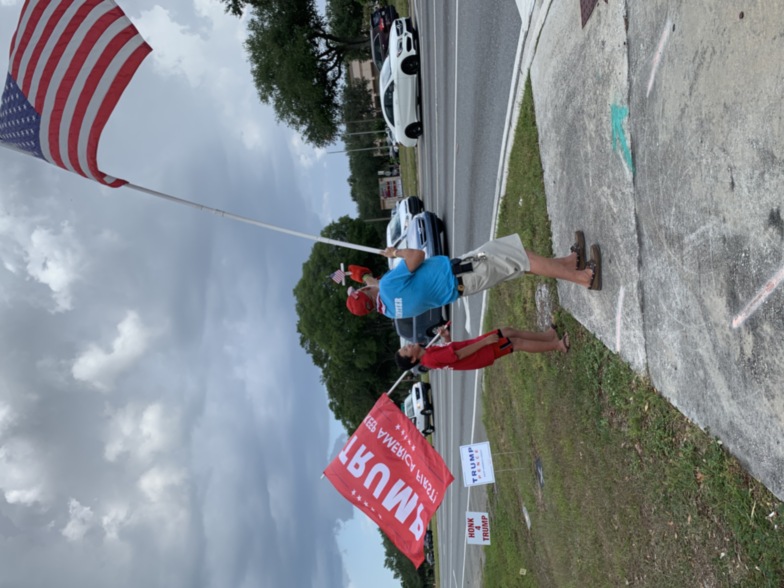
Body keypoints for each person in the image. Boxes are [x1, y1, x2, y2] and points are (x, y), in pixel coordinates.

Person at [345, 232, 601, 318]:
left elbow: (376, 286)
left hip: (465, 283)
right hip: (464, 272)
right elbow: (416, 256)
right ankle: (582, 277)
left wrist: (364, 279)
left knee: (519, 259)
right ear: (364, 293)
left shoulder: (391, 310)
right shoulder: (388, 286)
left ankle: (569, 263)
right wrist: (395, 252)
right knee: (522, 258)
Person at [394, 324, 569, 372]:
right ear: (413, 359)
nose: (408, 345)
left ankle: (548, 336)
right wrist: (484, 343)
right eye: (407, 350)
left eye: (405, 346)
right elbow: (459, 355)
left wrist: (446, 337)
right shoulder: (430, 359)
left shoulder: (428, 351)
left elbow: (449, 350)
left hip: (478, 345)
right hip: (481, 352)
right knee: (516, 343)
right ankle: (557, 346)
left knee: (508, 331)